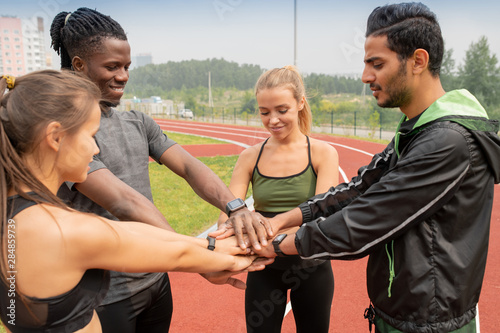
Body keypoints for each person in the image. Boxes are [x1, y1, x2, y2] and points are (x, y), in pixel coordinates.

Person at [216, 2, 500, 332]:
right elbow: (358, 188)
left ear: (418, 61)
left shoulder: (447, 141)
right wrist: (283, 220)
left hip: (432, 324)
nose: (366, 77)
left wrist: (269, 244)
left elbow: (364, 221)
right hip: (400, 314)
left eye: (376, 64)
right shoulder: (416, 130)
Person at [49, 8, 272, 333]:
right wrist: (205, 258)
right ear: (80, 65)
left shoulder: (137, 121)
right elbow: (125, 202)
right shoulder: (67, 133)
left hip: (156, 281)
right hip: (107, 297)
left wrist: (235, 207)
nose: (123, 75)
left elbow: (188, 166)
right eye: (112, 66)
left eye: (126, 66)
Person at [0, 70, 271, 332]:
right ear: (56, 137)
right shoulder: (59, 230)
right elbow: (174, 255)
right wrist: (239, 256)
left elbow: (131, 231)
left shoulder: (19, 213)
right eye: (90, 136)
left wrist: (209, 246)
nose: (95, 149)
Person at [217, 66, 339, 332]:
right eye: (264, 112)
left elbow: (321, 217)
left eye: (281, 110)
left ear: (300, 103)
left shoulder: (322, 154)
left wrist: (264, 238)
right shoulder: (249, 157)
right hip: (264, 270)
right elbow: (228, 214)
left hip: (311, 267)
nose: (272, 120)